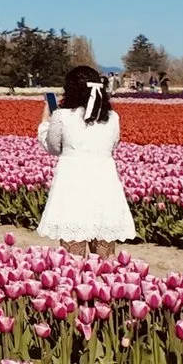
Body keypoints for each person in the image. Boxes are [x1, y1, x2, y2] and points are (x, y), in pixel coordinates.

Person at [35, 64, 134, 255]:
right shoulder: (112, 117)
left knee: (74, 258)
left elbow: (53, 147)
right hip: (105, 185)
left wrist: (45, 121)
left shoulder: (62, 116)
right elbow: (113, 147)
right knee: (105, 259)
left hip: (73, 185)